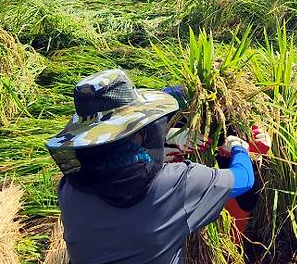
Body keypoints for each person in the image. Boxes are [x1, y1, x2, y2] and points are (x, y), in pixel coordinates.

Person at [46, 69, 259, 264]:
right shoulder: (179, 182)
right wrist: (238, 148)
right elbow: (244, 178)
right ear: (139, 134)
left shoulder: (69, 190)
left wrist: (170, 144)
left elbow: (120, 172)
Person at [162, 85, 271, 244]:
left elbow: (247, 173)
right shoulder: (173, 102)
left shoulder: (237, 108)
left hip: (231, 183)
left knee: (230, 232)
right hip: (177, 191)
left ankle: (229, 250)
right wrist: (167, 138)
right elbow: (137, 141)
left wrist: (253, 144)